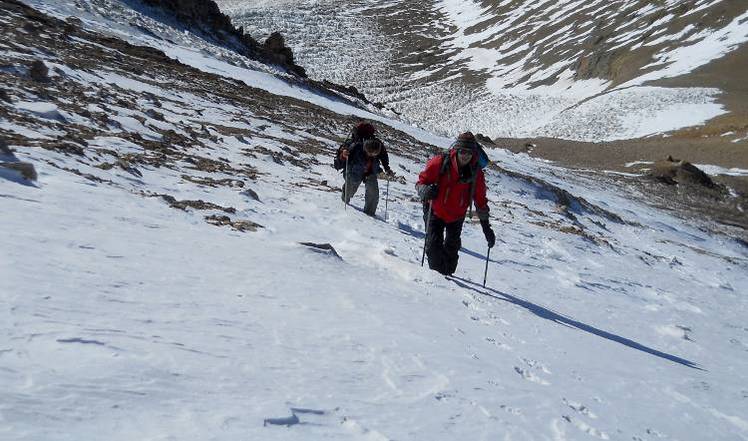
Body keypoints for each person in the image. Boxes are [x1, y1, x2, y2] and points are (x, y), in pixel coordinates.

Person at [416, 132, 496, 275]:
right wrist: (425, 190)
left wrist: (486, 228)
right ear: (456, 150)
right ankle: (436, 283)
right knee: (433, 250)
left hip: (457, 216)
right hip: (435, 211)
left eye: (469, 152)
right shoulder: (440, 163)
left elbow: (480, 201)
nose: (465, 155)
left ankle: (448, 281)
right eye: (462, 151)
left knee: (451, 259)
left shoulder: (476, 173)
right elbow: (421, 182)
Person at [334, 121, 394, 216]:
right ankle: (344, 200)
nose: (373, 155)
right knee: (350, 189)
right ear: (365, 149)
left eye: (375, 154)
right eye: (371, 153)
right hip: (354, 172)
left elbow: (383, 157)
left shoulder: (377, 145)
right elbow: (339, 158)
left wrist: (387, 169)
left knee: (373, 193)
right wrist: (343, 155)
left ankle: (370, 215)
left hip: (370, 172)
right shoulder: (354, 146)